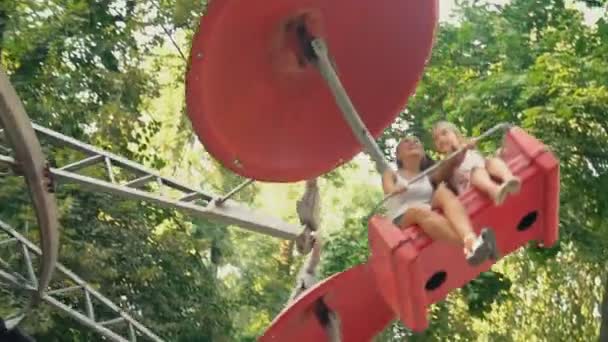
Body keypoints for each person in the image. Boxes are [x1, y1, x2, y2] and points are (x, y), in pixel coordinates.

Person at [382, 136, 498, 266]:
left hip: (425, 209)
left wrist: (462, 149)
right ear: (398, 155)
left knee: (442, 191)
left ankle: (470, 239)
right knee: (416, 210)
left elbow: (448, 166)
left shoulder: (428, 176)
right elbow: (389, 189)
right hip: (401, 218)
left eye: (416, 141)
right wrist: (395, 189)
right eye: (406, 142)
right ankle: (473, 245)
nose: (412, 143)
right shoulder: (392, 173)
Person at [432, 121, 521, 205]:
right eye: (436, 138)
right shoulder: (445, 163)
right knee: (477, 171)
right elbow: (445, 171)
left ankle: (509, 179)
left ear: (456, 134)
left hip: (487, 175)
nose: (441, 139)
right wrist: (463, 150)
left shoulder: (470, 150)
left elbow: (483, 162)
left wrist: (499, 154)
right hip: (470, 189)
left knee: (491, 160)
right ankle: (494, 190)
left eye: (444, 133)